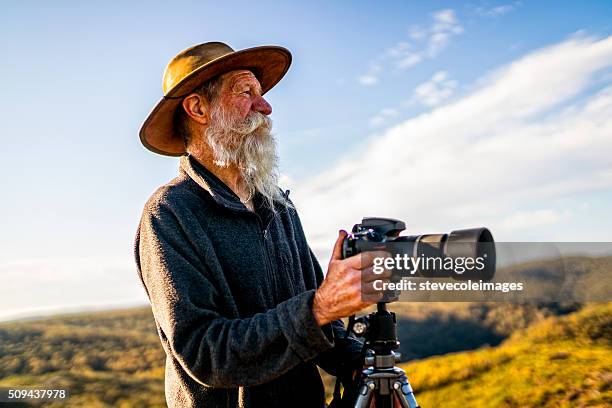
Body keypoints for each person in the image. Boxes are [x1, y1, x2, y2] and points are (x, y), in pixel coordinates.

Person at [134, 42, 387, 407]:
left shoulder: (278, 205)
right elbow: (205, 352)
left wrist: (358, 363)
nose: (266, 107)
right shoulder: (169, 213)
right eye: (246, 92)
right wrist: (317, 309)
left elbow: (319, 317)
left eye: (261, 94)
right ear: (198, 108)